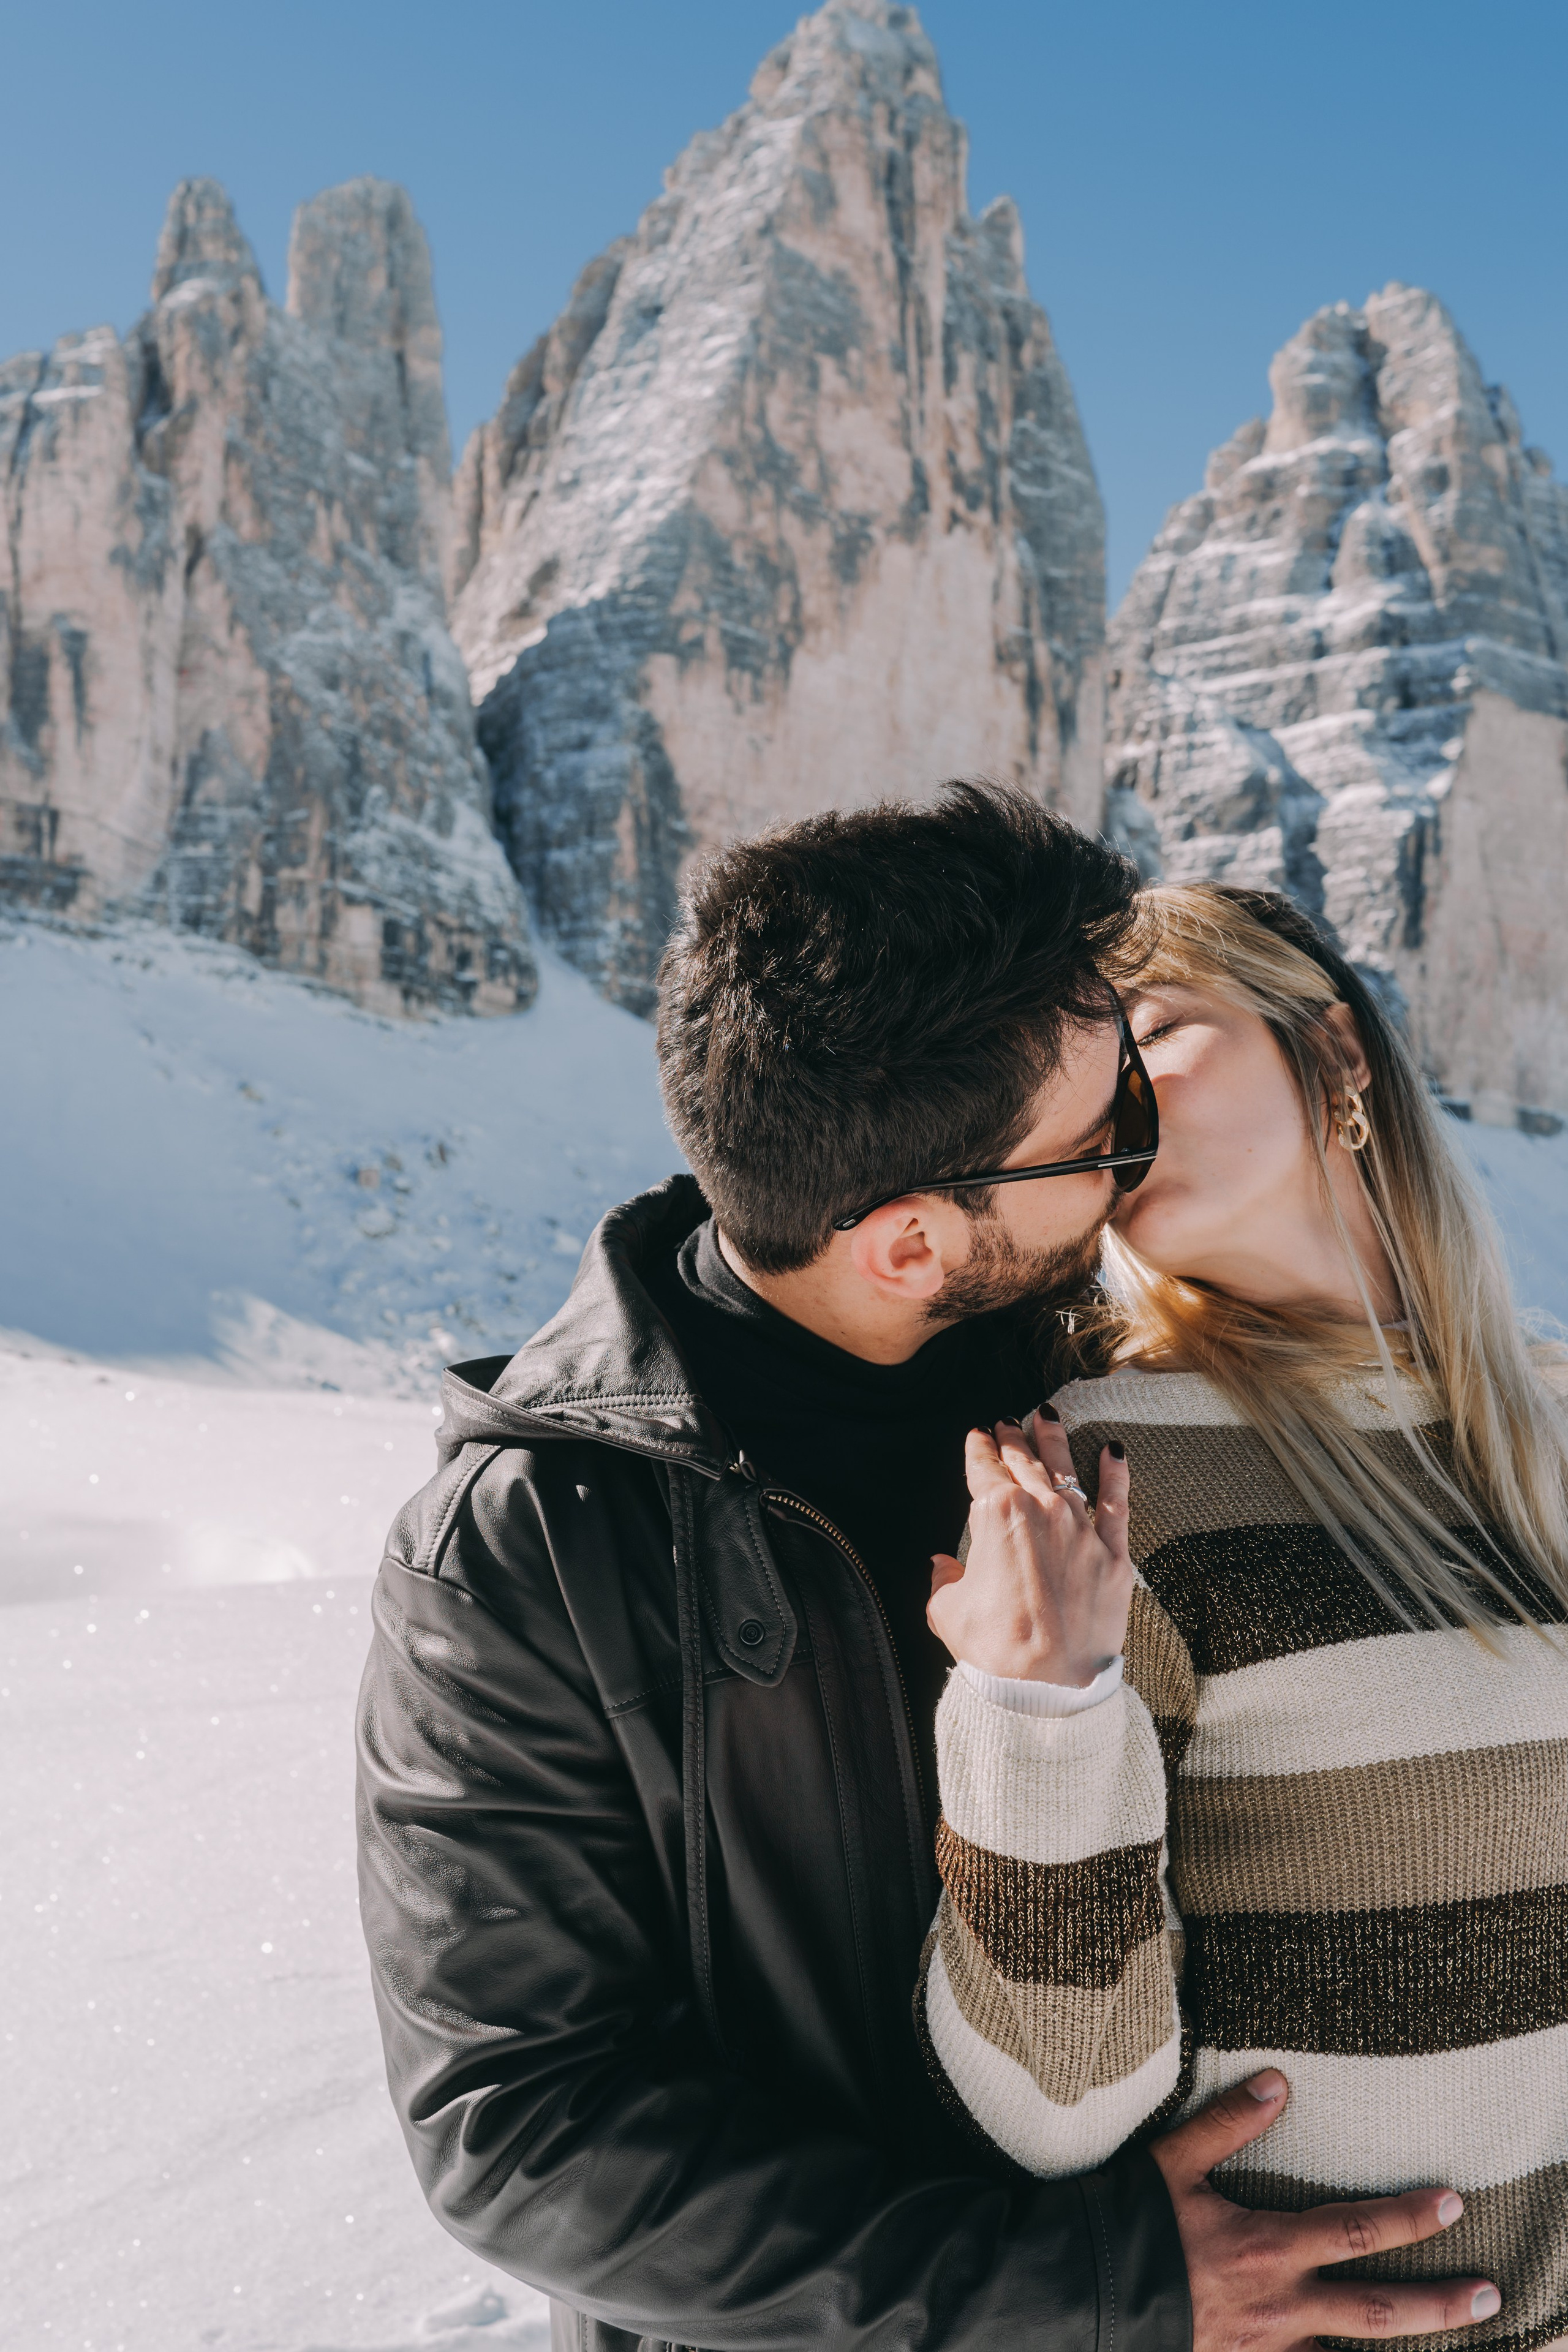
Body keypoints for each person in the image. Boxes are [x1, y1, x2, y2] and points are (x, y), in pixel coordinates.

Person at [356, 793, 1484, 2352]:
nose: (1132, 1176)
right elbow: (522, 2132)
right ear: (909, 1245)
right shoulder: (524, 1543)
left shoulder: (1105, 1388)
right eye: (1108, 1141)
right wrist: (1080, 2285)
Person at [922, 882, 1568, 2352]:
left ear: (1333, 1053)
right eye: (1080, 1097)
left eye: (1151, 1031)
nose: (1118, 1111)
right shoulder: (1102, 1471)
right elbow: (1056, 2099)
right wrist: (1035, 1715)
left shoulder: (1550, 1418)